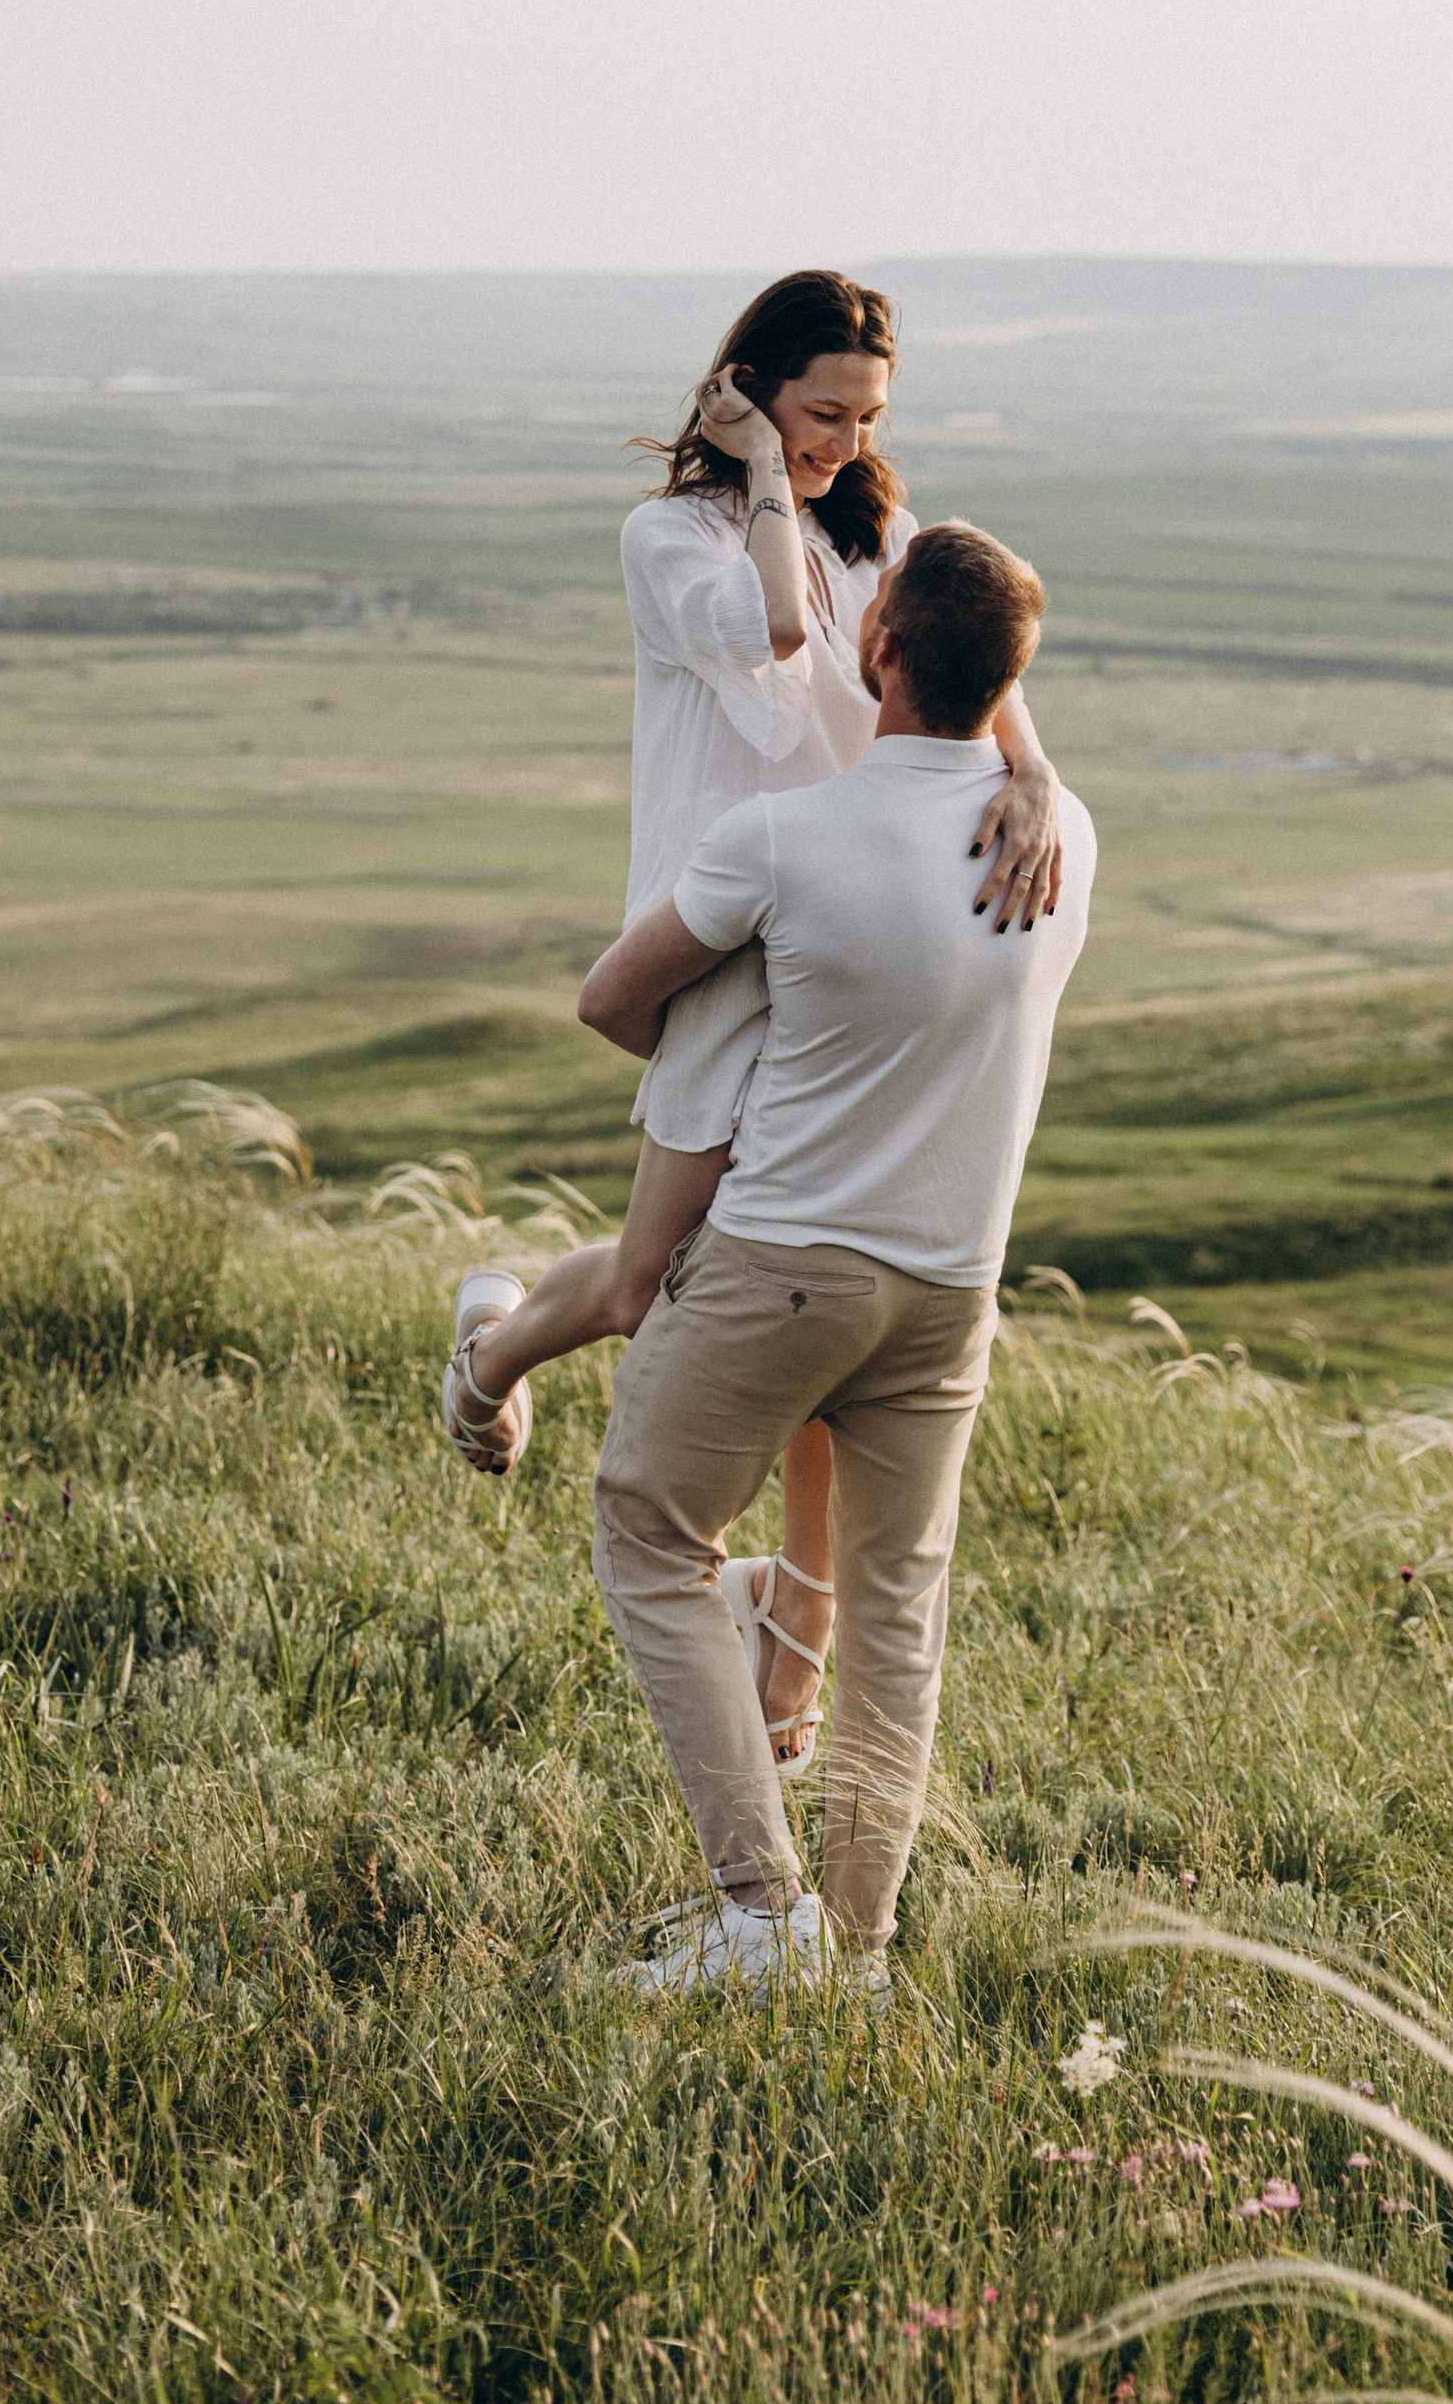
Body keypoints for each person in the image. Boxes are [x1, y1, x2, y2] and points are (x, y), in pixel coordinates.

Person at [440, 272, 1064, 1779]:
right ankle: (493, 1349)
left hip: (848, 943)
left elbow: (985, 690)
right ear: (745, 395)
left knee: (789, 1303)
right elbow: (785, 640)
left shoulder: (889, 537)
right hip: (724, 932)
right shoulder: (674, 539)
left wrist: (1035, 776)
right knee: (666, 1285)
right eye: (819, 412)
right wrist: (753, 476)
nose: (845, 444)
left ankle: (786, 1660)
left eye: (869, 418)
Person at [577, 520, 1096, 1993]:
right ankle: (859, 1952)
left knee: (648, 1530)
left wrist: (758, 1017)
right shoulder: (1062, 836)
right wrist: (1036, 765)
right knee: (893, 1613)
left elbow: (615, 1002)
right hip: (953, 1289)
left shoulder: (782, 838)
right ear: (1014, 682)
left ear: (877, 651)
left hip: (784, 1263)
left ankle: (760, 1910)